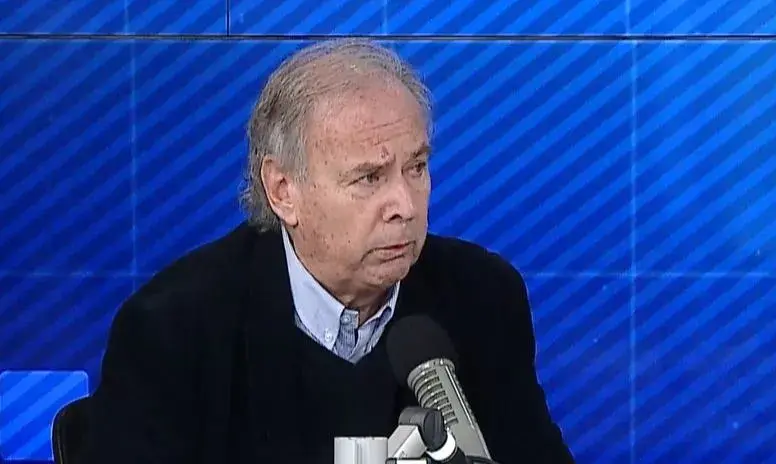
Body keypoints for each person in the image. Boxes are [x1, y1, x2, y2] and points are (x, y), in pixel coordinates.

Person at [85, 38, 575, 464]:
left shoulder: (482, 298)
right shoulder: (173, 330)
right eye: (369, 177)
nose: (405, 206)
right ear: (283, 190)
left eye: (417, 168)